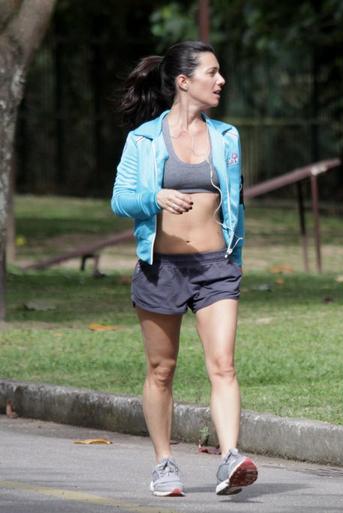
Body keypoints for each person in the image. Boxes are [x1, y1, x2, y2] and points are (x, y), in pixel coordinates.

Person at [112, 41, 256, 497]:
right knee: (161, 369)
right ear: (183, 81)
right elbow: (119, 200)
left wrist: (236, 256)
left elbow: (236, 202)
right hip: (162, 267)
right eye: (212, 73)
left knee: (224, 365)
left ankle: (230, 457)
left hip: (215, 267)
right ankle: (164, 463)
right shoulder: (144, 140)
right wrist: (153, 197)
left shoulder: (227, 137)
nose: (221, 81)